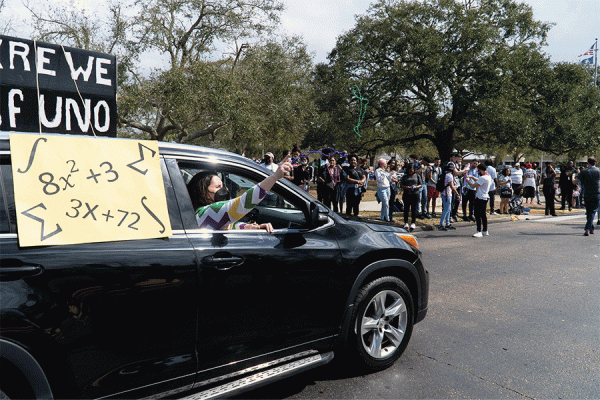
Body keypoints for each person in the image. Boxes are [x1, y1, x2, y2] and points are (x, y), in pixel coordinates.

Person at [187, 155, 293, 231]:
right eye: (217, 187)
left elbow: (228, 225)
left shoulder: (200, 214)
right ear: (203, 192)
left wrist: (251, 227)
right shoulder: (206, 212)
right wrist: (275, 177)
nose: (224, 190)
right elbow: (242, 204)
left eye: (223, 186)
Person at [575, 157, 600, 236]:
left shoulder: (584, 172)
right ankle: (589, 228)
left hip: (587, 194)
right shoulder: (598, 171)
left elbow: (575, 181)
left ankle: (589, 228)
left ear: (587, 163)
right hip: (596, 193)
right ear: (595, 163)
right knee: (592, 211)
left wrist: (572, 177)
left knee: (589, 211)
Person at [466, 164, 492, 237]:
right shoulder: (488, 176)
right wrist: (471, 177)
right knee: (483, 214)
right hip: (485, 197)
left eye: (479, 170)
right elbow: (478, 181)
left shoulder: (483, 178)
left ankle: (479, 231)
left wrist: (467, 180)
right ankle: (485, 230)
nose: (478, 172)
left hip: (480, 197)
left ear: (481, 170)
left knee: (477, 214)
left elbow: (472, 185)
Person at [400, 163, 422, 231]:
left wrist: (415, 187)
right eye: (410, 170)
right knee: (406, 209)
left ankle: (413, 222)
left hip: (415, 194)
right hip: (407, 194)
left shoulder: (417, 176)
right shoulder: (405, 176)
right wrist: (406, 187)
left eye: (412, 170)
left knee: (414, 209)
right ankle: (406, 222)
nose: (411, 171)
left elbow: (420, 184)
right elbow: (401, 185)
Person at [437, 162, 459, 231]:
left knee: (448, 209)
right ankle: (441, 224)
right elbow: (452, 186)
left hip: (445, 193)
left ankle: (447, 223)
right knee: (446, 209)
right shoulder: (449, 175)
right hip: (447, 194)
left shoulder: (445, 174)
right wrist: (457, 194)